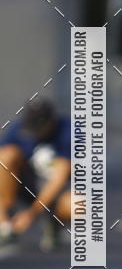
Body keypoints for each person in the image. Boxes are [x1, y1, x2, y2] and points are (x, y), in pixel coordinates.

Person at [0, 98, 71, 249]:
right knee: (6, 156)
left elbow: (60, 176)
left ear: (51, 121)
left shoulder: (68, 132)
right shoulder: (18, 129)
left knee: (79, 205)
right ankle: (5, 221)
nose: (34, 132)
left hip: (55, 191)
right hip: (24, 185)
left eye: (39, 127)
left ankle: (53, 221)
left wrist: (32, 213)